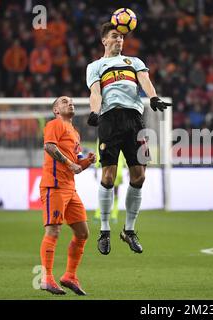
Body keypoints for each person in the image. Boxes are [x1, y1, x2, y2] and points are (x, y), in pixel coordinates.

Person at [86, 22, 171, 255]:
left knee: (140, 175)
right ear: (104, 40)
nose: (119, 40)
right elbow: (95, 91)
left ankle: (129, 230)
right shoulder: (95, 66)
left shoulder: (134, 62)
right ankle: (104, 231)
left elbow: (144, 81)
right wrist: (95, 112)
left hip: (135, 120)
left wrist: (153, 98)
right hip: (110, 120)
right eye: (114, 36)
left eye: (122, 37)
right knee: (109, 175)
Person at [39, 96, 96, 295]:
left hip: (70, 189)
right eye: (63, 102)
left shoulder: (75, 133)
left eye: (71, 101)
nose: (69, 103)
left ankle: (69, 276)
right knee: (53, 231)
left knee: (83, 233)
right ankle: (46, 278)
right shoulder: (55, 124)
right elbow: (49, 147)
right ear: (56, 109)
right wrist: (70, 164)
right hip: (53, 186)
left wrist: (87, 161)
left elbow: (76, 163)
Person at [93, 140, 126, 224]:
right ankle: (106, 215)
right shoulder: (119, 133)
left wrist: (96, 167)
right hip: (113, 167)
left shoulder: (104, 133)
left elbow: (99, 149)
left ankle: (105, 214)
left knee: (108, 191)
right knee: (110, 192)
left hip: (113, 168)